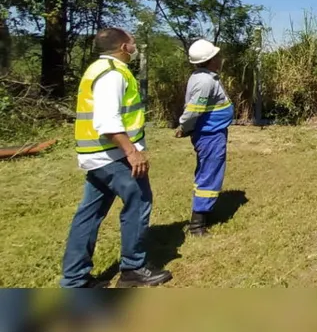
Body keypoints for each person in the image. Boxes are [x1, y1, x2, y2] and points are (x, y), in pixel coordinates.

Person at [60, 27, 172, 288]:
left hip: (96, 155)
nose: (134, 46)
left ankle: (75, 278)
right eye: (132, 42)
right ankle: (133, 268)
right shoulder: (112, 74)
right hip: (113, 156)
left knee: (89, 214)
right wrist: (132, 152)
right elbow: (107, 122)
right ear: (123, 47)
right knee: (139, 201)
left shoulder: (96, 69)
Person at [174, 38, 234, 236]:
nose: (221, 58)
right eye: (218, 56)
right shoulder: (205, 81)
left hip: (213, 132)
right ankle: (197, 223)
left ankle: (204, 213)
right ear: (211, 59)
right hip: (210, 135)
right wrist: (184, 127)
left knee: (209, 171)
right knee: (209, 174)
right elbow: (193, 110)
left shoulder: (204, 77)